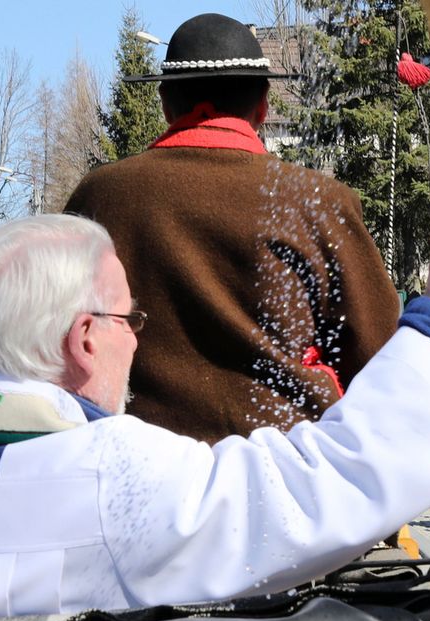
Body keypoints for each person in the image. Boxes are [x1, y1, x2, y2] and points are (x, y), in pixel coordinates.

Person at [0, 207, 430, 621]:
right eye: (129, 319)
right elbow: (321, 486)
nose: (137, 340)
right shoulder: (112, 473)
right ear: (85, 337)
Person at [64, 13, 399, 443]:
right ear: (263, 104)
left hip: (142, 475)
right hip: (292, 471)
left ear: (166, 103)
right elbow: (378, 356)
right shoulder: (318, 200)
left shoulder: (99, 198)